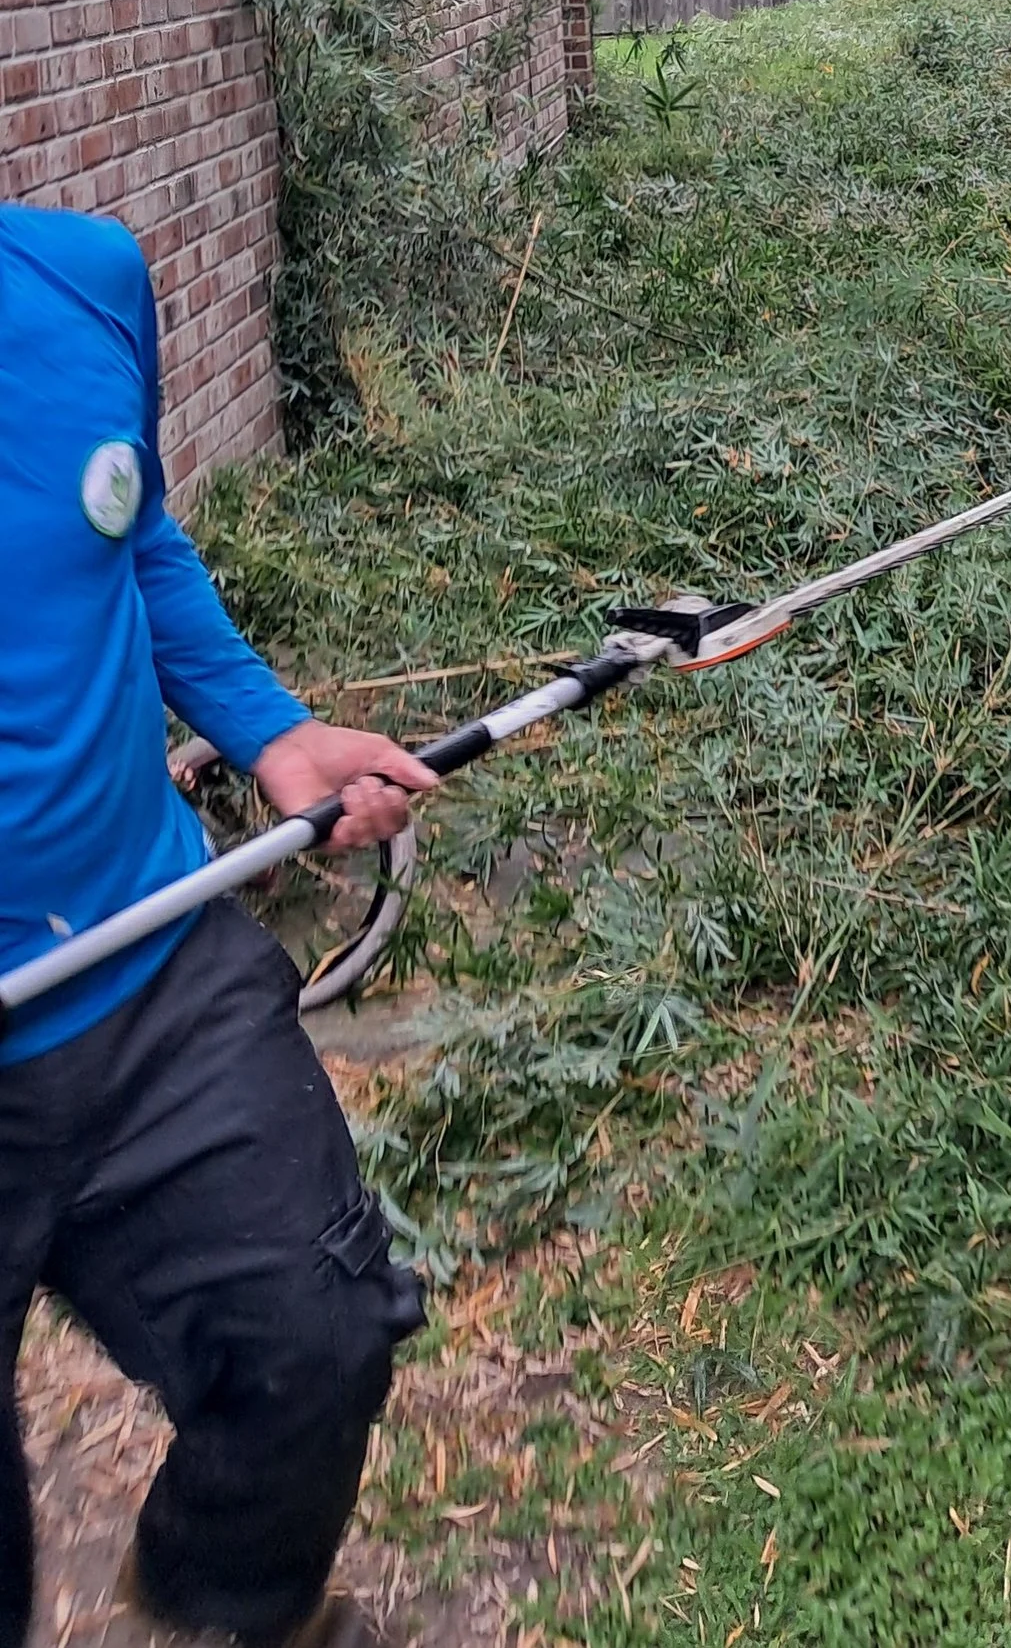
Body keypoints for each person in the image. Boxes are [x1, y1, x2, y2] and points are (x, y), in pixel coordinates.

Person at [0, 202, 441, 1648]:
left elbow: (126, 535)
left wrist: (270, 728)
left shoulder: (80, 280)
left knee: (314, 1340)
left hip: (148, 965)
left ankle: (214, 1612)